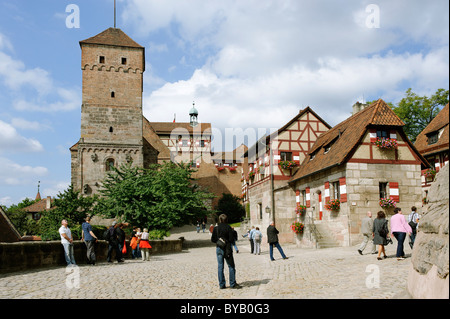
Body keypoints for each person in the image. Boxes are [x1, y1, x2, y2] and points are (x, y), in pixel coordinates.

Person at [211, 214, 241, 289]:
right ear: (226, 220)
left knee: (220, 266)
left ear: (220, 220)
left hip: (219, 248)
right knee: (231, 266)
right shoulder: (228, 228)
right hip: (227, 248)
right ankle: (232, 283)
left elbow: (213, 240)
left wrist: (220, 240)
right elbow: (231, 239)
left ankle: (222, 284)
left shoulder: (216, 228)